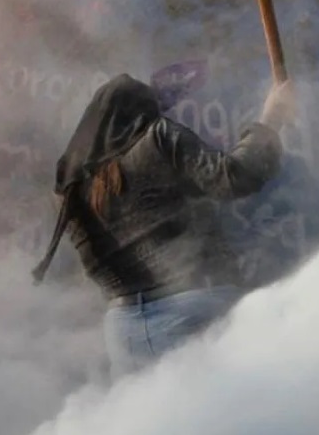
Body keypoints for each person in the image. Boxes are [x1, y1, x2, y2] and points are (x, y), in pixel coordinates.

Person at [32, 74, 294, 376]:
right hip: (193, 310)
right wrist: (272, 118)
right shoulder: (157, 138)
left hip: (124, 330)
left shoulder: (70, 187)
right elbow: (233, 176)